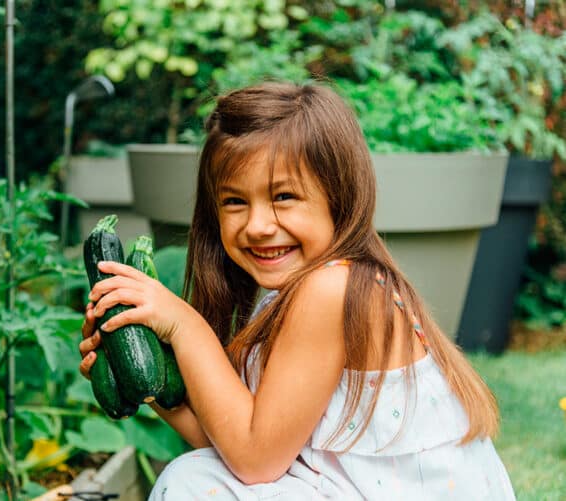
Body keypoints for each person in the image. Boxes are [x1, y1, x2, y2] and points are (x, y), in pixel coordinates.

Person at [79, 82, 516, 500]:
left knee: (194, 484)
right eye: (234, 202)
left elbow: (255, 462)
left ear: (338, 198)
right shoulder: (289, 291)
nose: (258, 225)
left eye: (284, 196)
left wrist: (184, 324)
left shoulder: (333, 289)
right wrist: (150, 381)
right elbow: (235, 444)